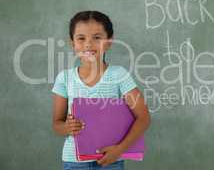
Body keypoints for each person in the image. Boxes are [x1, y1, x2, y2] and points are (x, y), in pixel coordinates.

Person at [51, 10, 151, 170]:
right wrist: (66, 127)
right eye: (81, 38)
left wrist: (119, 150)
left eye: (97, 38)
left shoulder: (119, 75)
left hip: (111, 159)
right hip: (74, 161)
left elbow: (143, 117)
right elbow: (57, 124)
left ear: (109, 42)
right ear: (72, 43)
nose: (88, 44)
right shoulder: (64, 78)